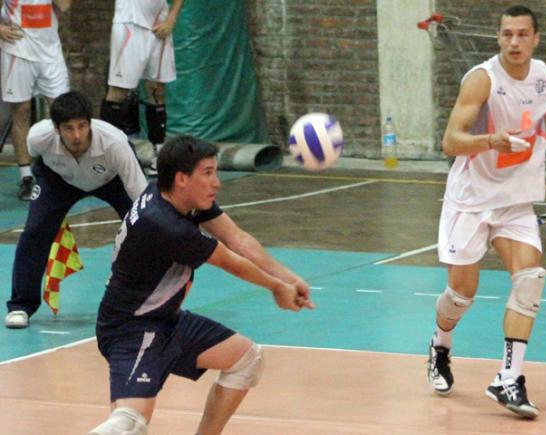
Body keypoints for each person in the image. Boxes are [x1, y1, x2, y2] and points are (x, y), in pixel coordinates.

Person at [88, 135, 314, 435]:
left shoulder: (175, 196)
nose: (216, 183)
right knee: (129, 425)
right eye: (207, 173)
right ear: (182, 178)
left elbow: (238, 239)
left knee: (247, 359)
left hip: (167, 321)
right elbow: (230, 261)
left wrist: (288, 279)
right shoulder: (166, 226)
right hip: (132, 329)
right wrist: (276, 287)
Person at [426, 5, 546, 419]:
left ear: (536, 39)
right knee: (461, 295)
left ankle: (508, 378)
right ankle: (440, 344)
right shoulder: (482, 80)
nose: (514, 42)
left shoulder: (545, 77)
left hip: (515, 201)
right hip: (471, 201)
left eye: (522, 34)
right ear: (498, 37)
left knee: (530, 280)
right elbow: (451, 142)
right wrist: (491, 140)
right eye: (507, 34)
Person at [4, 91, 147, 329]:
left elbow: (141, 196)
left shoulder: (115, 144)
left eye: (82, 126)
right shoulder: (38, 137)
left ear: (90, 124)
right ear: (56, 128)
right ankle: (21, 305)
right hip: (58, 180)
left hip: (110, 180)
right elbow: (38, 161)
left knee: (142, 227)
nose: (77, 135)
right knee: (34, 232)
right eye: (68, 128)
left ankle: (145, 299)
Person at [100, 0, 184, 175]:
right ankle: (105, 156)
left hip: (160, 24)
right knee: (118, 91)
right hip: (129, 24)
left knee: (157, 90)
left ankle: (159, 153)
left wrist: (172, 18)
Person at [0, 0, 71, 200]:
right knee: (21, 112)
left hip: (50, 53)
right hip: (17, 50)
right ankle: (26, 177)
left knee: (63, 112)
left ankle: (64, 172)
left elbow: (64, 6)